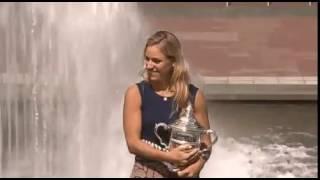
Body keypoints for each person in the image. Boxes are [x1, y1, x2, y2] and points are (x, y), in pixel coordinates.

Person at [123, 30, 215, 178]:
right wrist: (169, 157)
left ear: (173, 62)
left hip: (184, 174)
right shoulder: (136, 93)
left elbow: (206, 142)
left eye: (156, 61)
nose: (149, 65)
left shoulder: (194, 96)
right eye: (147, 59)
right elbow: (132, 143)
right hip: (146, 172)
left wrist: (197, 166)